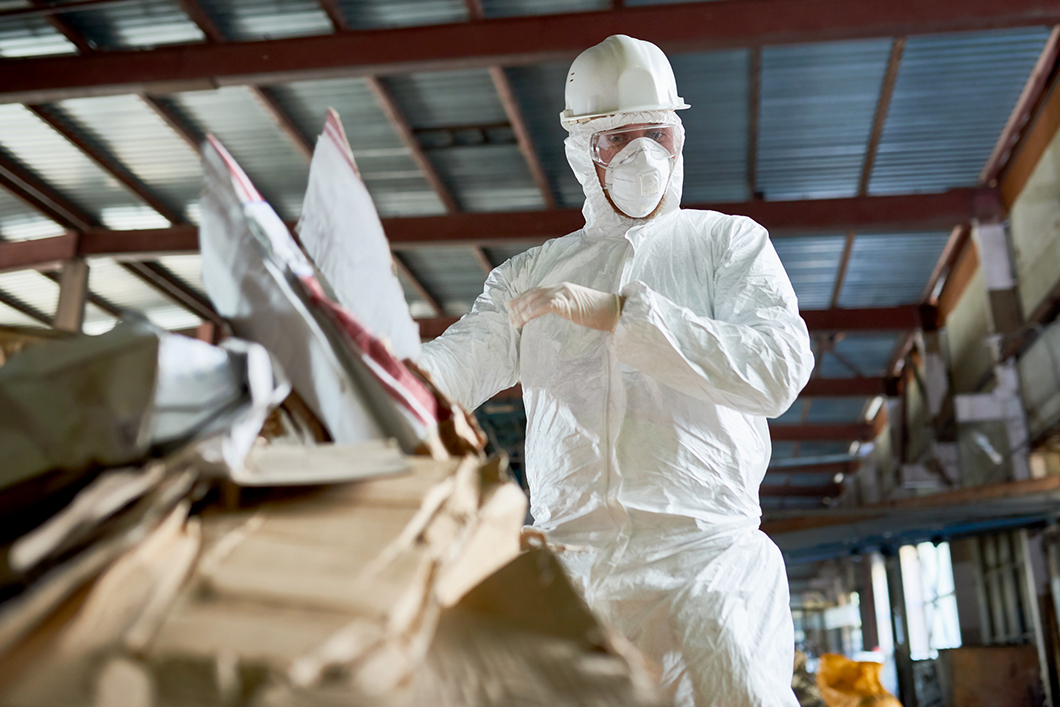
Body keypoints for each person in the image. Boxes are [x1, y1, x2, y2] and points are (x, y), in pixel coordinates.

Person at [419, 34, 813, 707]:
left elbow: (776, 369)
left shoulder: (726, 243)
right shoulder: (530, 275)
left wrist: (623, 316)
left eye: (656, 133)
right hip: (576, 571)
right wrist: (369, 365)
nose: (642, 155)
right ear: (582, 150)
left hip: (705, 558)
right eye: (617, 137)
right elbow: (454, 367)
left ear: (678, 137)